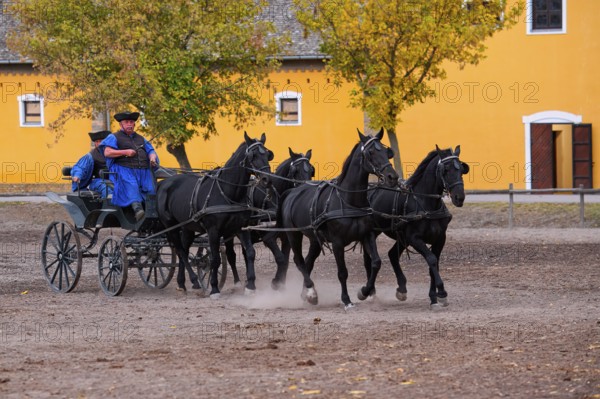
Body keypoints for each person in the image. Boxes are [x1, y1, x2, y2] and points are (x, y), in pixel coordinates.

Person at [99, 111, 159, 221]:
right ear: (121, 124)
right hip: (123, 170)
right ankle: (137, 210)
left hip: (143, 171)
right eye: (126, 122)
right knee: (131, 185)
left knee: (151, 188)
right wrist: (125, 152)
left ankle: (152, 212)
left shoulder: (141, 138)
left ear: (134, 124)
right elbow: (107, 152)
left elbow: (151, 150)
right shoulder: (113, 137)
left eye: (131, 122)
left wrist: (152, 158)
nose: (129, 124)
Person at [71, 130, 113, 198]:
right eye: (97, 141)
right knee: (106, 189)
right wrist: (77, 175)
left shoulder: (115, 153)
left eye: (101, 141)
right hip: (99, 181)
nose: (99, 143)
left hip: (116, 180)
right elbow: (80, 167)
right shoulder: (91, 156)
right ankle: (108, 207)